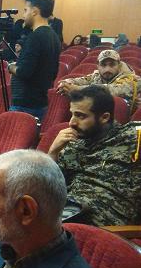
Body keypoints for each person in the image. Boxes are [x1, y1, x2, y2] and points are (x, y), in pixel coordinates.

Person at [47, 85, 141, 226]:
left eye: (80, 116)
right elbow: (49, 188)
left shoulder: (133, 135)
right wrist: (53, 153)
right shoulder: (73, 143)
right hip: (67, 213)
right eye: (72, 114)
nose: (72, 123)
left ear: (104, 117)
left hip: (102, 225)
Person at [7, 0, 61, 120]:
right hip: (39, 102)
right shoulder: (54, 36)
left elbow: (24, 71)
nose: (24, 15)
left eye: (26, 10)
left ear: (35, 11)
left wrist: (11, 67)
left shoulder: (35, 37)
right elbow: (53, 73)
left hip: (25, 105)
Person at [56, 49, 139, 105]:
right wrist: (66, 83)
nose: (107, 69)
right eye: (103, 65)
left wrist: (77, 89)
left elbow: (112, 90)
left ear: (119, 65)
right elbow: (80, 80)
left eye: (112, 65)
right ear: (98, 66)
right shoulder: (97, 76)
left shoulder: (131, 79)